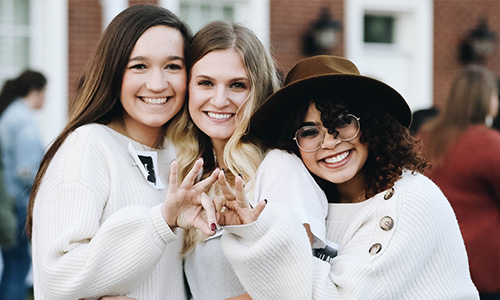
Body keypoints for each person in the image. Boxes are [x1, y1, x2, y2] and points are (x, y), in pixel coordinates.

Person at [215, 55, 480, 299]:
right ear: (292, 143)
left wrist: (259, 235)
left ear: (372, 124)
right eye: (309, 132)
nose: (329, 142)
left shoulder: (411, 199)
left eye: (341, 122)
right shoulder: (316, 204)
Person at [26, 5, 223, 300]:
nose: (157, 84)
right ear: (114, 72)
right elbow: (57, 277)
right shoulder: (87, 145)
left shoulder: (183, 154)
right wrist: (160, 222)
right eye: (139, 66)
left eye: (172, 66)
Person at [418, 65, 500, 300]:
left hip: (433, 262)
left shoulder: (424, 137)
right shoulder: (488, 143)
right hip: (481, 267)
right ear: (486, 100)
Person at [0, 69, 47, 300]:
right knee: (18, 265)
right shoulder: (24, 120)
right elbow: (26, 170)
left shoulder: (9, 114)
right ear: (36, 92)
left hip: (7, 200)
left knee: (12, 264)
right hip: (18, 203)